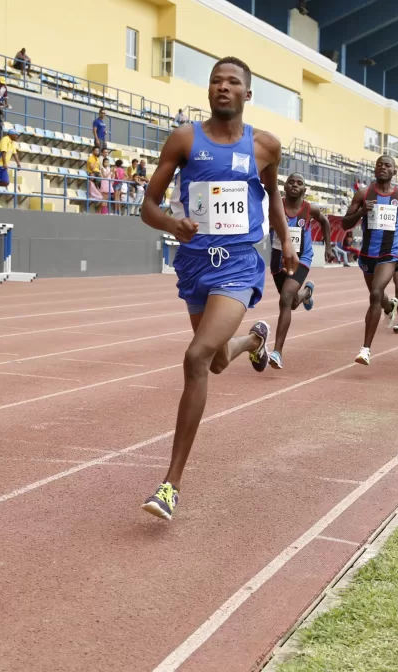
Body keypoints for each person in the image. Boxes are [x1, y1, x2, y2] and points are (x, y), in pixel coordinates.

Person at [138, 56, 294, 520]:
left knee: (196, 357)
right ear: (208, 91)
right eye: (215, 81)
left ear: (247, 94)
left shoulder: (265, 146)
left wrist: (285, 242)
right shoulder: (184, 139)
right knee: (220, 359)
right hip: (193, 263)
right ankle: (253, 341)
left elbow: (273, 199)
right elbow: (147, 205)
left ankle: (170, 485)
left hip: (240, 264)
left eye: (233, 83)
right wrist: (171, 222)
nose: (222, 88)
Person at [342, 155, 398, 366]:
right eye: (379, 164)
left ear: (394, 172)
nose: (383, 168)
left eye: (387, 165)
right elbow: (344, 224)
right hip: (368, 254)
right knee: (378, 296)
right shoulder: (363, 194)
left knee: (375, 293)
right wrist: (362, 211)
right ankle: (390, 306)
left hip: (390, 253)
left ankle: (365, 349)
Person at [267, 172, 334, 369]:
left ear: (304, 190)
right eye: (291, 182)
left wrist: (328, 246)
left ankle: (277, 352)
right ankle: (306, 293)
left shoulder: (309, 209)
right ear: (285, 187)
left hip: (302, 259)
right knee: (292, 302)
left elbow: (325, 222)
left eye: (299, 183)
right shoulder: (275, 204)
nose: (295, 185)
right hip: (278, 260)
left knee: (285, 299)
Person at [0, 130, 21, 207]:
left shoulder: (12, 143)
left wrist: (18, 163)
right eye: (16, 135)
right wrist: (4, 163)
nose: (17, 136)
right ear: (11, 134)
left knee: (6, 182)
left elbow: (15, 154)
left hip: (3, 166)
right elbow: (3, 152)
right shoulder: (5, 139)